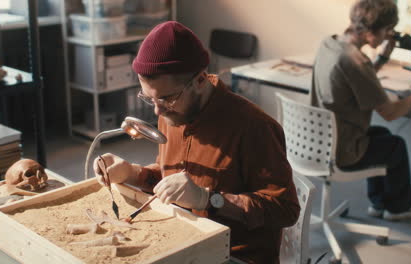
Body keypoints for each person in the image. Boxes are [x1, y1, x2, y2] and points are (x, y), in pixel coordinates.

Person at [93, 21, 300, 263]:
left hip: (234, 256)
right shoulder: (171, 113)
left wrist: (209, 198)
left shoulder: (254, 127)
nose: (158, 111)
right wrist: (132, 173)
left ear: (200, 80)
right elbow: (174, 182)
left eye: (166, 99)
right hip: (185, 242)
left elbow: (285, 210)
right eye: (149, 99)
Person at [310, 0, 411, 221]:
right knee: (395, 146)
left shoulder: (330, 44)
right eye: (387, 31)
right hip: (340, 151)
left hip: (317, 141)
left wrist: (382, 57)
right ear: (373, 32)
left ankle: (379, 203)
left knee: (382, 136)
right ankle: (398, 209)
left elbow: (357, 77)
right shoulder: (356, 61)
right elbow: (390, 112)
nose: (387, 35)